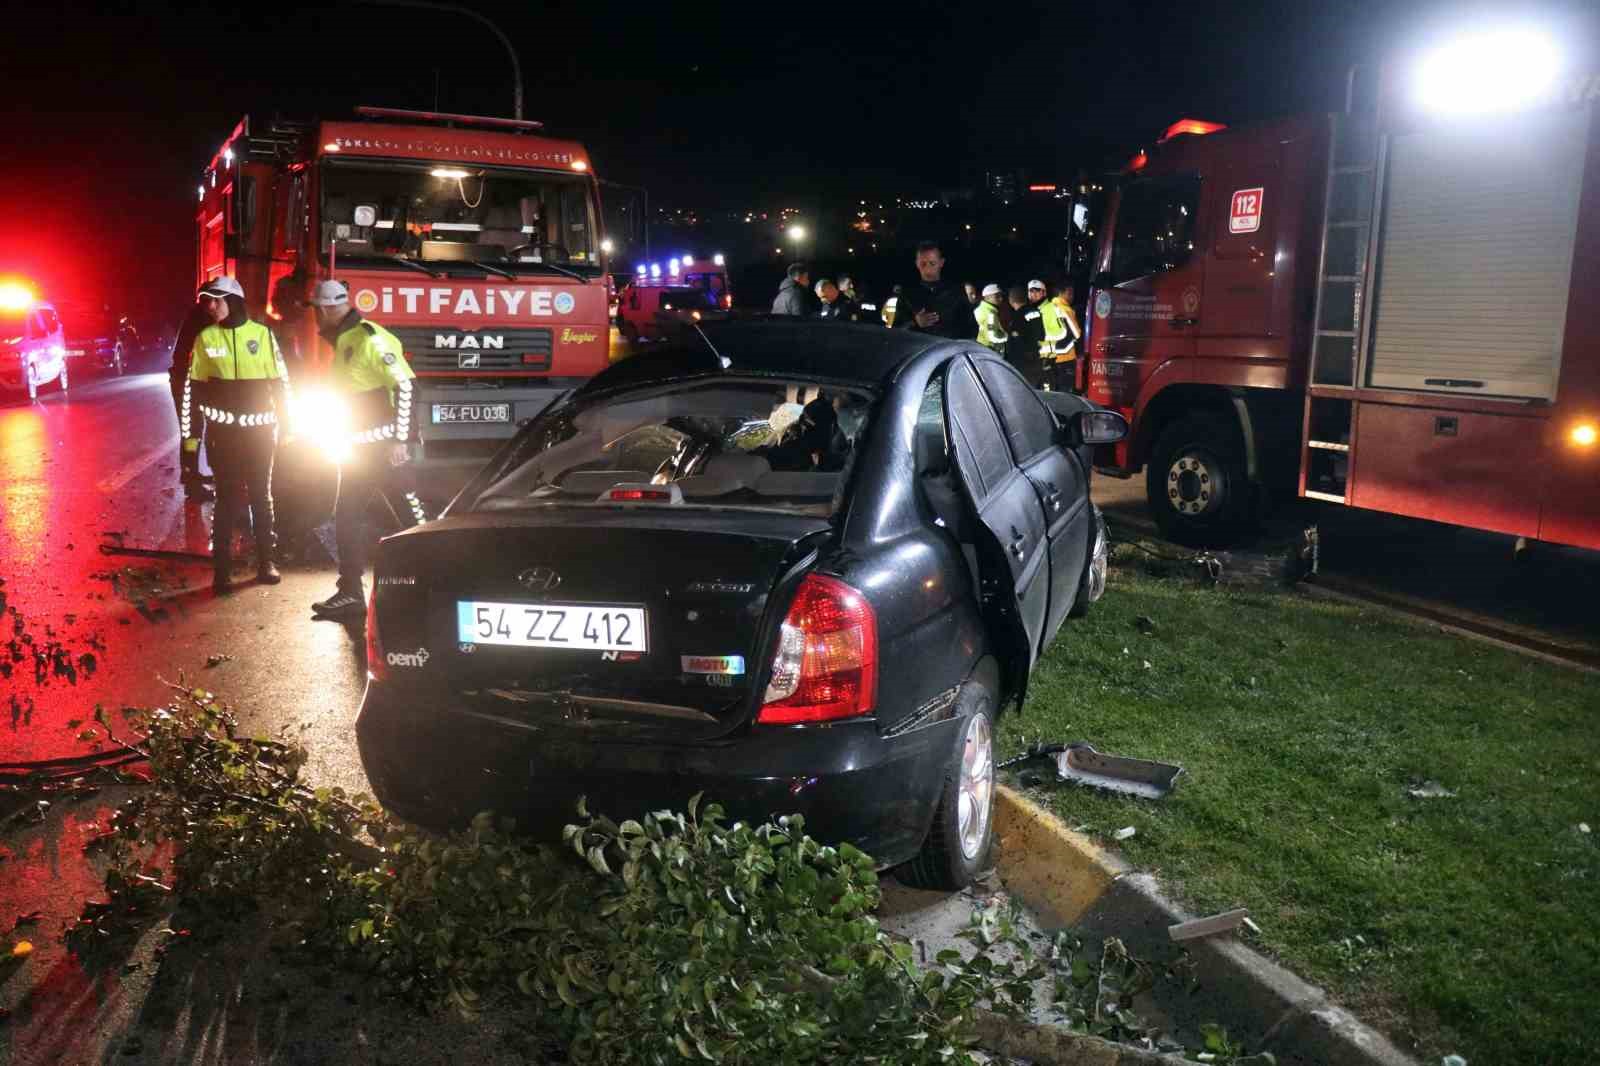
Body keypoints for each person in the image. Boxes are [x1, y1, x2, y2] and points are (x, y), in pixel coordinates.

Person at [304, 280, 422, 618]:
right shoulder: (344, 342)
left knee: (412, 513)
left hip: (383, 449)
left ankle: (443, 576)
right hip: (358, 449)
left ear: (325, 309)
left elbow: (407, 387)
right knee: (350, 516)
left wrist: (401, 439)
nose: (315, 318)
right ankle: (351, 592)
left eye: (315, 310)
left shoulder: (371, 339)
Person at [181, 276, 289, 593]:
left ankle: (267, 562)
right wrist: (190, 444)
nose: (210, 306)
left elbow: (282, 385)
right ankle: (223, 570)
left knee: (261, 496)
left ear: (235, 301)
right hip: (223, 435)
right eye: (207, 300)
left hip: (261, 433)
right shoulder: (205, 339)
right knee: (226, 498)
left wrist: (289, 428)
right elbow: (193, 393)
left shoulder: (264, 336)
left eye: (217, 299)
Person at [170, 299, 213, 500]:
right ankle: (191, 484)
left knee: (192, 432)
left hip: (184, 379)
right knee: (192, 433)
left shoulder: (196, 315)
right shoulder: (202, 319)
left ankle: (190, 474)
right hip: (186, 382)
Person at [893, 241, 977, 340]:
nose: (928, 268)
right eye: (923, 264)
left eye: (932, 263)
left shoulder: (956, 292)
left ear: (941, 263)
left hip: (949, 352)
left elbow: (972, 328)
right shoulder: (907, 294)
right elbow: (897, 330)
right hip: (921, 352)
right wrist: (915, 322)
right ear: (917, 264)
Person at [1004, 285, 1046, 385]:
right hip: (1036, 358)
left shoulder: (1017, 317)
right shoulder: (1036, 311)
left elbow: (1016, 342)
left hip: (1022, 363)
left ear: (1010, 300)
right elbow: (1041, 335)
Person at [1047, 284, 1084, 393]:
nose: (1072, 296)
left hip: (1051, 356)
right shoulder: (1066, 310)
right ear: (1064, 292)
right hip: (1066, 357)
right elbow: (1077, 333)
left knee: (1054, 388)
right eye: (1071, 293)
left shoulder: (1048, 308)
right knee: (1066, 390)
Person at [974, 284, 1008, 354]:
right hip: (989, 350)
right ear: (987, 297)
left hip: (981, 348)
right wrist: (1008, 338)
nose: (1001, 298)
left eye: (1001, 296)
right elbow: (992, 337)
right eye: (997, 296)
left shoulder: (980, 309)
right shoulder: (990, 313)